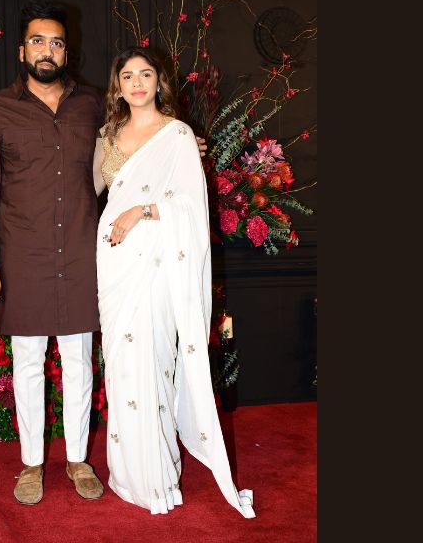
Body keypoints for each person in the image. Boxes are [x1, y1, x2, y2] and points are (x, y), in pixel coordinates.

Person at [92, 47, 256, 518]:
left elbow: (190, 206)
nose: (137, 82)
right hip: (114, 260)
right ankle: (128, 475)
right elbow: (90, 192)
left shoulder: (178, 134)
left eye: (145, 74)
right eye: (127, 75)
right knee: (122, 365)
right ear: (117, 86)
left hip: (158, 262)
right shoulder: (107, 136)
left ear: (159, 82)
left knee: (154, 360)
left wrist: (142, 211)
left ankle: (158, 480)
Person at [0, 0, 105, 505]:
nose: (48, 50)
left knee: (79, 362)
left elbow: (131, 150)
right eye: (39, 41)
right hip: (22, 256)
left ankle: (77, 460)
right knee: (27, 362)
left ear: (68, 51)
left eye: (57, 42)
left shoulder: (93, 105)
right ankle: (31, 464)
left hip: (81, 254)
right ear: (22, 50)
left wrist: (180, 144)